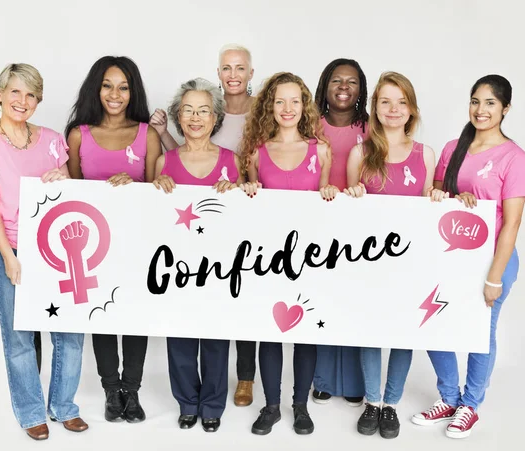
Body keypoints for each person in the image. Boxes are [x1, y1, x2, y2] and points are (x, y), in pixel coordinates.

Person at [0, 63, 88, 441]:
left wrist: (64, 177)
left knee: (69, 332)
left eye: (31, 94)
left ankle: (64, 407)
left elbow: (71, 193)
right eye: (15, 92)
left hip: (54, 250)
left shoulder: (52, 140)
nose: (22, 101)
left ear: (38, 100)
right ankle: (32, 411)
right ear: (0, 94)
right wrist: (8, 256)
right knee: (19, 337)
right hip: (10, 248)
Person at [411, 75, 525, 439]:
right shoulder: (453, 148)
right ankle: (448, 396)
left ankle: (470, 405)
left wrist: (494, 276)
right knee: (431, 321)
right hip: (449, 257)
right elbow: (433, 193)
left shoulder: (514, 157)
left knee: (480, 332)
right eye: (475, 101)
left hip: (492, 260)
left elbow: (511, 224)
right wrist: (443, 195)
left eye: (491, 103)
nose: (481, 110)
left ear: (505, 109)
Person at [65, 56, 161, 423]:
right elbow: (72, 196)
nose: (115, 94)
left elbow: (157, 192)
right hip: (93, 248)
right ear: (96, 88)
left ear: (132, 91)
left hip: (137, 244)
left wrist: (134, 186)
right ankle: (111, 390)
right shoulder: (79, 134)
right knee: (102, 316)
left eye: (123, 86)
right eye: (107, 85)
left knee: (134, 317)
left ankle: (132, 391)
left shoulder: (147, 134)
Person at [343, 71, 436, 439]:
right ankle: (372, 401)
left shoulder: (425, 154)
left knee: (402, 333)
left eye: (401, 102)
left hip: (410, 263)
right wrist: (351, 196)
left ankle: (392, 403)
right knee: (371, 330)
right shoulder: (359, 153)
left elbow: (430, 206)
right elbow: (348, 212)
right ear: (375, 108)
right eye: (385, 101)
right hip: (370, 263)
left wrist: (437, 198)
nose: (393, 109)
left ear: (411, 108)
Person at [240, 72, 333, 436]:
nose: (288, 108)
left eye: (295, 101)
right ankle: (272, 405)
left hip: (310, 257)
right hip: (268, 258)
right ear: (270, 106)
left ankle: (300, 406)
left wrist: (329, 193)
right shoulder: (256, 151)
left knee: (305, 332)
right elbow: (250, 204)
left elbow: (327, 204)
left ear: (304, 105)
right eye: (280, 101)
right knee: (270, 331)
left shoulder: (320, 150)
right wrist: (248, 189)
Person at [153, 77, 244, 433]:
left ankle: (211, 405)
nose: (195, 117)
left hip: (220, 269)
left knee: (216, 339)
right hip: (176, 267)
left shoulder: (232, 161)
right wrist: (156, 187)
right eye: (188, 110)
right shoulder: (164, 161)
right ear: (178, 115)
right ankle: (187, 402)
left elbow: (247, 214)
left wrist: (235, 190)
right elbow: (148, 215)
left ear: (215, 117)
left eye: (203, 110)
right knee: (180, 339)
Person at [310, 57, 369, 407]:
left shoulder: (371, 127)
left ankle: (356, 381)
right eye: (336, 80)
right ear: (325, 86)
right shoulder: (309, 125)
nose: (343, 87)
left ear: (361, 88)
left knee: (355, 302)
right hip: (319, 224)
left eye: (351, 81)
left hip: (361, 228)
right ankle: (324, 379)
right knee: (323, 302)